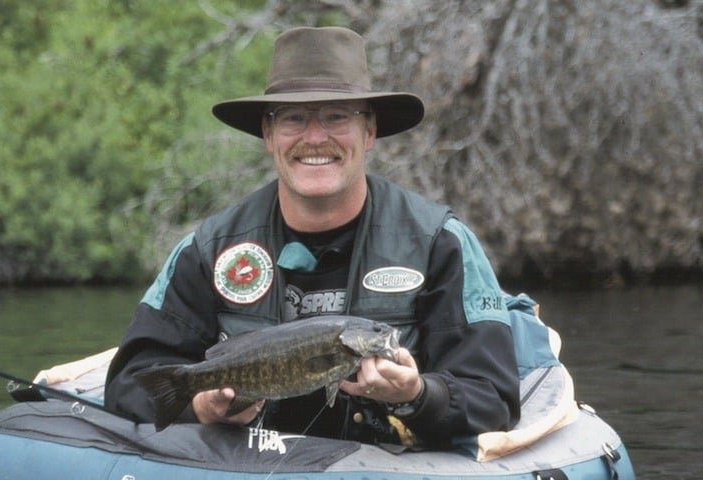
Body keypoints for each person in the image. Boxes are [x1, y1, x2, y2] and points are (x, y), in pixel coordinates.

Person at [105, 26, 520, 448]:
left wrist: (417, 394)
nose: (316, 137)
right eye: (294, 119)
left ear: (369, 132)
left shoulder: (442, 243)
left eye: (337, 116)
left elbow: (494, 399)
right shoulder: (208, 250)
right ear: (268, 135)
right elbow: (130, 385)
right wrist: (199, 406)